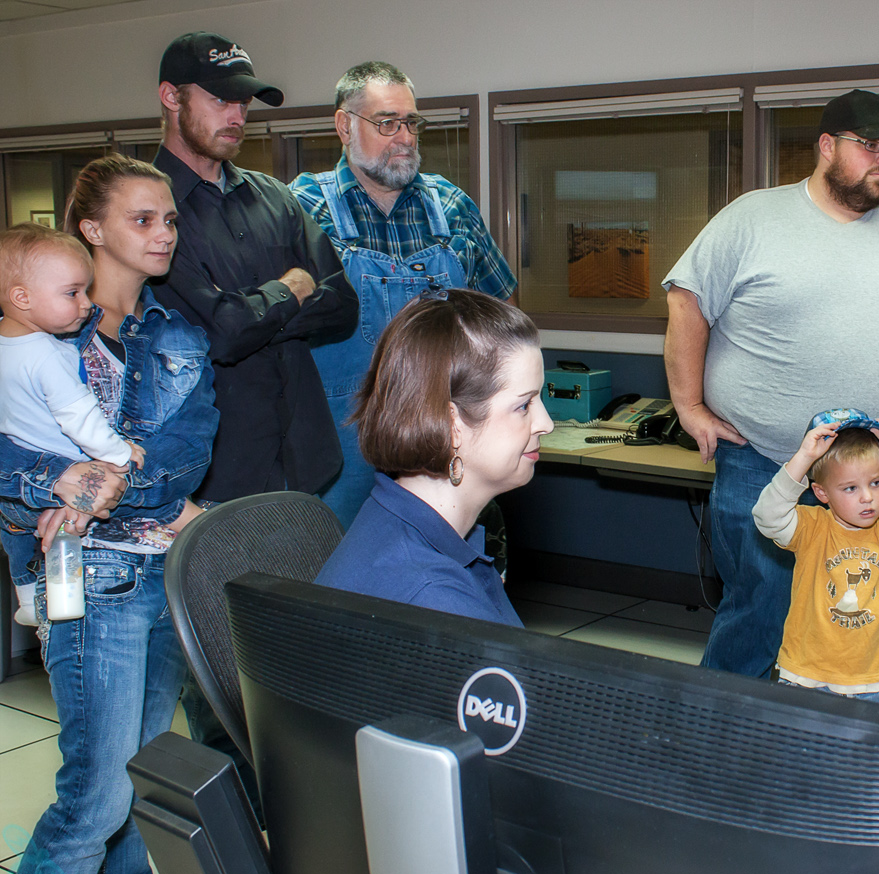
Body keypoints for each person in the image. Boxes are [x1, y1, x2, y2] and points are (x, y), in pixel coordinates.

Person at [663, 88, 879, 678]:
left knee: (876, 622)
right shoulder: (752, 218)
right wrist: (689, 405)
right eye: (869, 146)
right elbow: (686, 303)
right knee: (760, 613)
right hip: (768, 463)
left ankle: (866, 753)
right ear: (826, 146)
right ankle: (715, 750)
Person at [0, 155, 219, 874]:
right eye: (142, 219)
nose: (164, 234)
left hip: (163, 576)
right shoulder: (36, 330)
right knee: (93, 801)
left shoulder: (180, 335)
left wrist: (96, 488)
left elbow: (186, 459)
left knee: (133, 788)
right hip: (93, 582)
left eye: (170, 220)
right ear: (91, 228)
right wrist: (51, 479)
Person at [291, 61, 516, 527]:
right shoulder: (302, 207)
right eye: (387, 123)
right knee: (339, 576)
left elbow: (502, 316)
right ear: (344, 125)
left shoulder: (452, 206)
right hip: (339, 444)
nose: (406, 138)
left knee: (444, 575)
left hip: (441, 436)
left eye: (412, 123)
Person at [150, 31, 358, 504]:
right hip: (214, 477)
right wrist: (290, 291)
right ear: (170, 97)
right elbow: (221, 333)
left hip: (305, 463)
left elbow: (344, 306)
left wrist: (250, 313)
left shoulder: (275, 197)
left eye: (243, 103)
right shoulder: (148, 210)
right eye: (221, 99)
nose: (237, 116)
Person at [316, 290, 551, 623]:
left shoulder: (394, 525)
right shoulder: (434, 600)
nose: (546, 424)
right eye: (524, 405)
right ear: (452, 422)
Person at [755, 410, 879, 704]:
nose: (867, 497)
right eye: (850, 488)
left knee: (866, 752)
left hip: (874, 679)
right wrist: (803, 458)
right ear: (821, 493)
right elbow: (767, 516)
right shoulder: (812, 527)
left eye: (875, 483)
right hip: (807, 674)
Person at [0, 225, 144, 627]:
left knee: (13, 533)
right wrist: (118, 451)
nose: (85, 304)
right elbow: (78, 416)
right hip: (60, 478)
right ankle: (61, 603)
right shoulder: (49, 353)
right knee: (64, 542)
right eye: (72, 292)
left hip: (15, 484)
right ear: (21, 298)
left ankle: (28, 598)